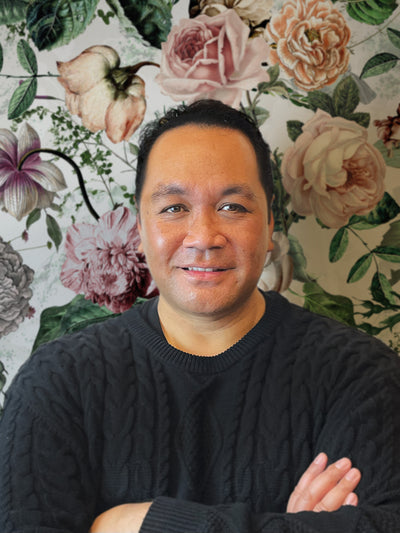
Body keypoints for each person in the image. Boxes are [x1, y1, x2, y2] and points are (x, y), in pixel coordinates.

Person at [0, 100, 400, 533]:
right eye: (173, 208)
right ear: (140, 229)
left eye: (233, 207)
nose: (204, 237)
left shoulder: (361, 377)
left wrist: (139, 523)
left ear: (269, 225)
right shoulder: (57, 383)